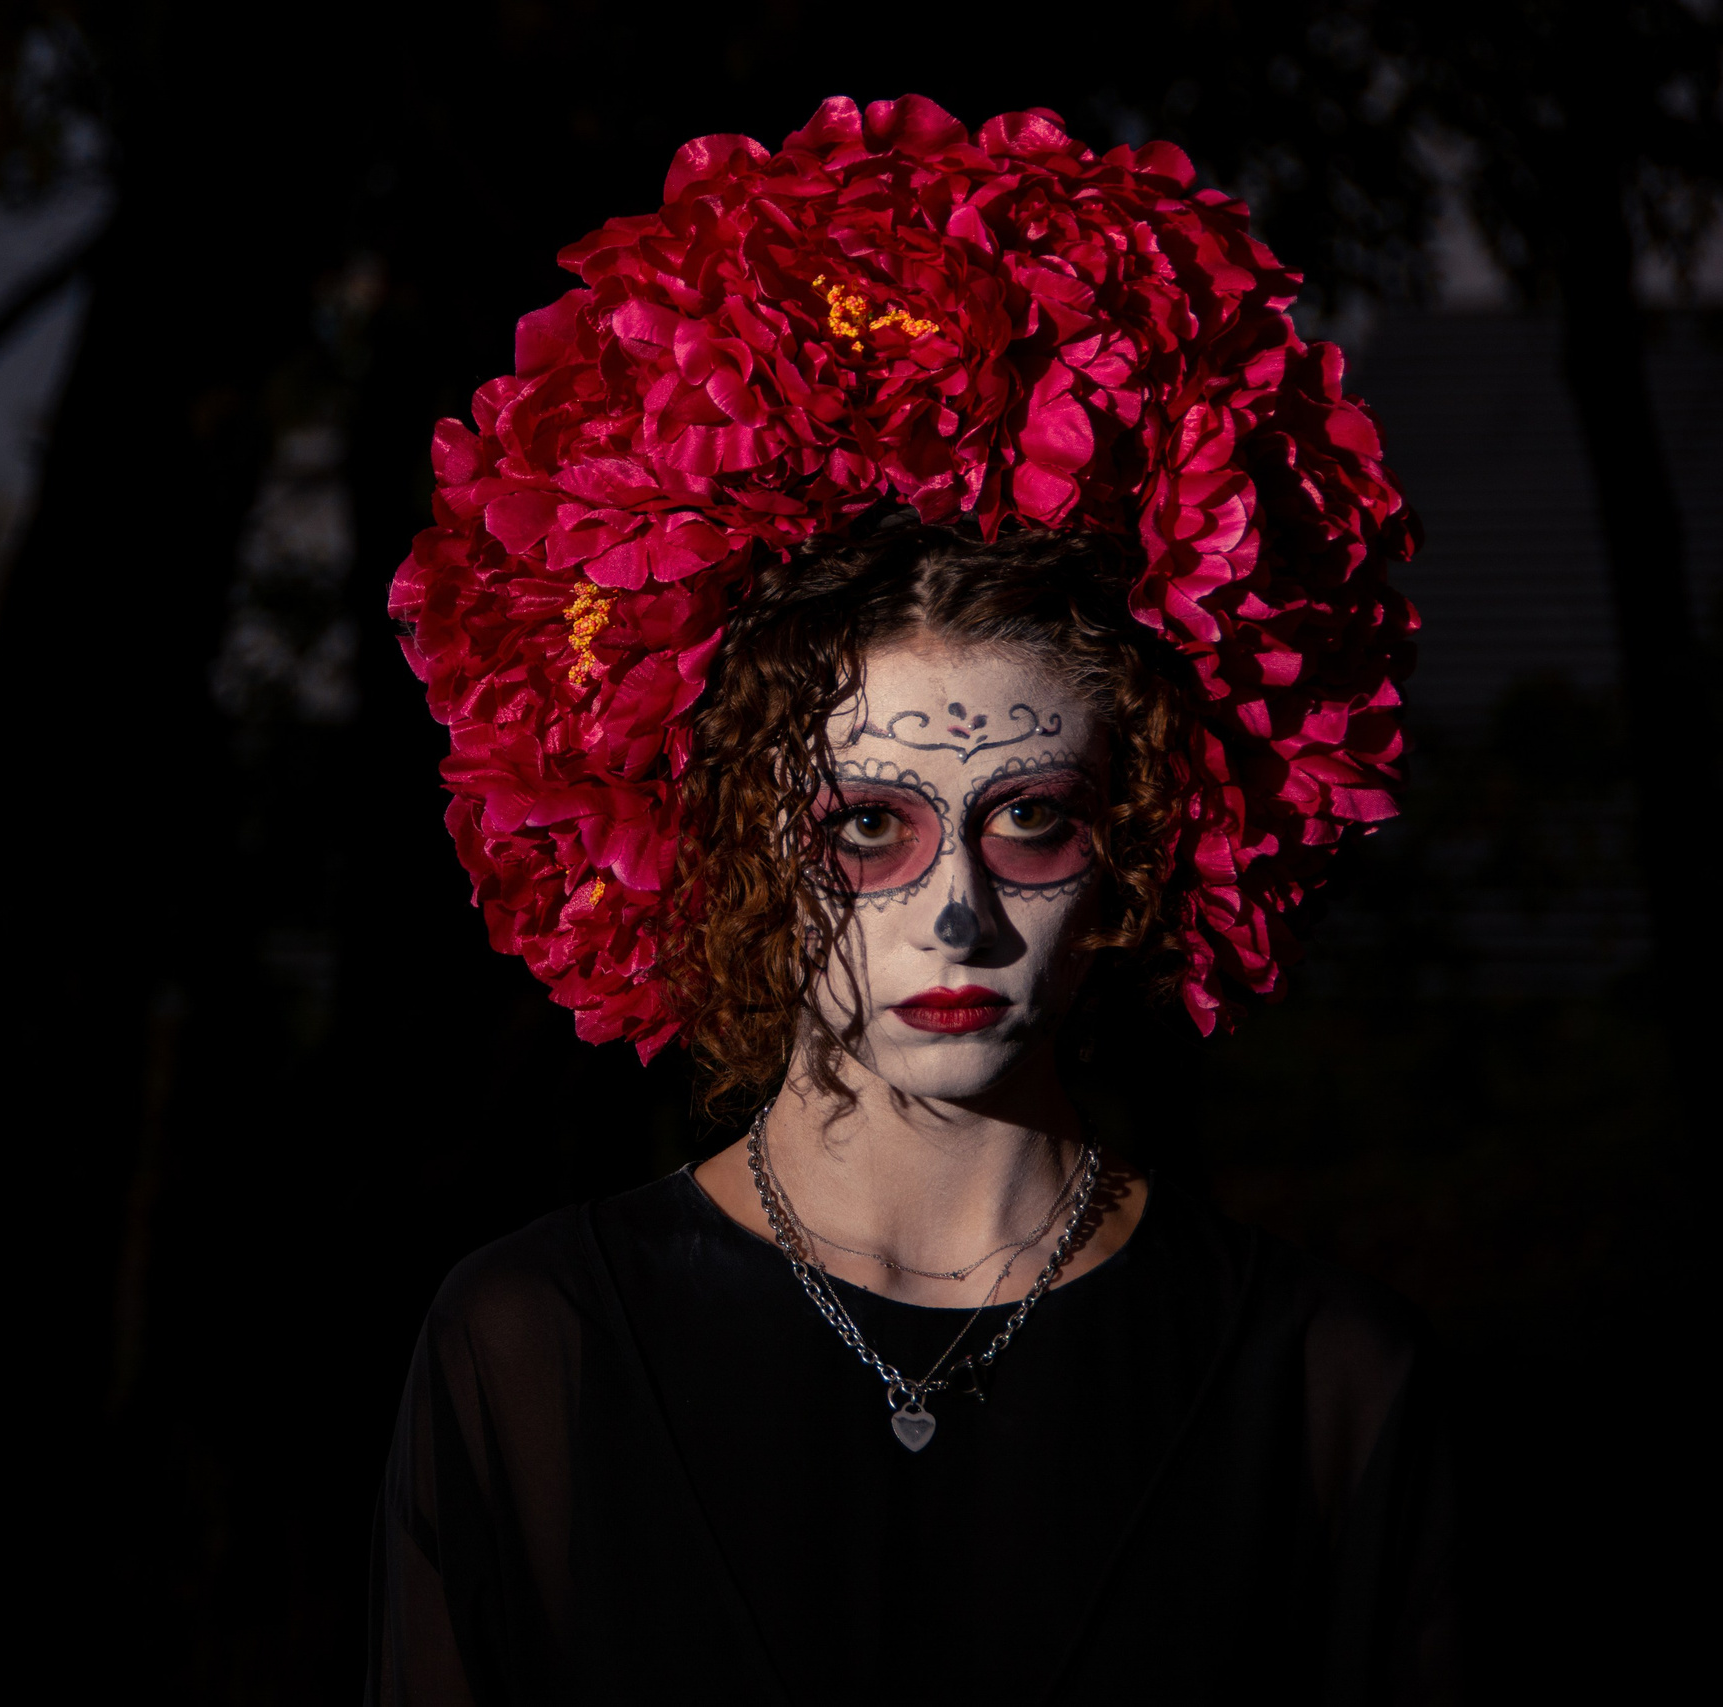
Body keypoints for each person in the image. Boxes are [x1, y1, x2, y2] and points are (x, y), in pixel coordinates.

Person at [372, 95, 1452, 1704]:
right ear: (734, 835)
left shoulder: (1323, 1385)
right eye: (866, 827)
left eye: (1029, 821)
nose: (955, 916)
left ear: (1147, 837)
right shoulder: (536, 1348)